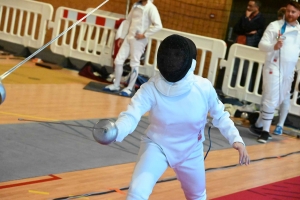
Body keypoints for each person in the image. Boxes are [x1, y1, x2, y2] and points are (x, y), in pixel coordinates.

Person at [102, 34, 250, 199]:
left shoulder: (203, 87)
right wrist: (116, 131)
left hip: (191, 150)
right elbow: (131, 115)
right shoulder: (150, 88)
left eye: (178, 56)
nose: (172, 60)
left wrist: (236, 139)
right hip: (157, 146)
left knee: (197, 196)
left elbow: (221, 115)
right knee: (136, 194)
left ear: (190, 62)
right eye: (169, 55)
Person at [249, 1, 300, 143]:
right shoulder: (275, 26)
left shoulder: (299, 31)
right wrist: (274, 46)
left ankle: (258, 124)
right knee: (271, 99)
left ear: (298, 14)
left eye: (293, 12)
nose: (290, 14)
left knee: (279, 100)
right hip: (274, 67)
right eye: (288, 11)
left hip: (288, 71)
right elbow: (261, 45)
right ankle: (265, 132)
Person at [103, 0, 162, 96]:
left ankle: (130, 87)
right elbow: (128, 21)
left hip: (139, 40)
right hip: (129, 37)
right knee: (118, 60)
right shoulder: (135, 6)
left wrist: (144, 35)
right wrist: (122, 36)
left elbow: (158, 25)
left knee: (134, 63)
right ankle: (116, 85)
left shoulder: (151, 8)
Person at [231, 0, 265, 89]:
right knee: (234, 70)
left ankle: (247, 93)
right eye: (248, 5)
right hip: (239, 45)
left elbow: (247, 27)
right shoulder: (244, 16)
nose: (248, 8)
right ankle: (230, 90)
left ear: (257, 7)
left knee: (247, 72)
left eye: (250, 6)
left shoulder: (260, 19)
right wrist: (247, 30)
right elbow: (236, 29)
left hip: (249, 48)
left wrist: (246, 20)